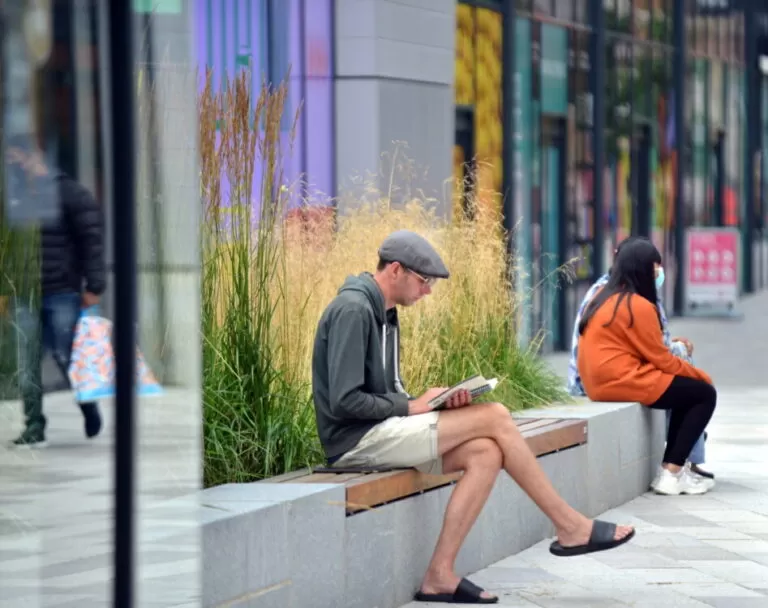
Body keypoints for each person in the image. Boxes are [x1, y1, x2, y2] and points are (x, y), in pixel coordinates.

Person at [311, 230, 635, 605]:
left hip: (382, 431)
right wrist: (412, 406)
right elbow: (344, 401)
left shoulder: (385, 311)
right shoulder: (353, 309)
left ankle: (439, 575)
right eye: (424, 280)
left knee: (486, 453)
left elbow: (384, 394)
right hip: (355, 443)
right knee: (495, 415)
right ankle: (569, 526)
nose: (428, 291)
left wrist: (434, 402)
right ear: (396, 270)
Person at [576, 238, 717, 496]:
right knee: (704, 394)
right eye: (655, 267)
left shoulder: (602, 296)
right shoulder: (636, 306)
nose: (658, 273)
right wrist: (703, 377)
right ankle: (672, 473)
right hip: (624, 381)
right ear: (642, 269)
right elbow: (662, 359)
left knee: (687, 394)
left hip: (601, 383)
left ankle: (671, 470)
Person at [5, 134, 106, 448]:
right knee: (27, 364)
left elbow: (92, 238)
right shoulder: (16, 197)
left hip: (62, 291)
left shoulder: (67, 191)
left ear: (33, 154)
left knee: (67, 358)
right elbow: (7, 247)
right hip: (25, 294)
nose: (13, 166)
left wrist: (95, 284)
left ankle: (88, 407)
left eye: (16, 159)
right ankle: (34, 426)